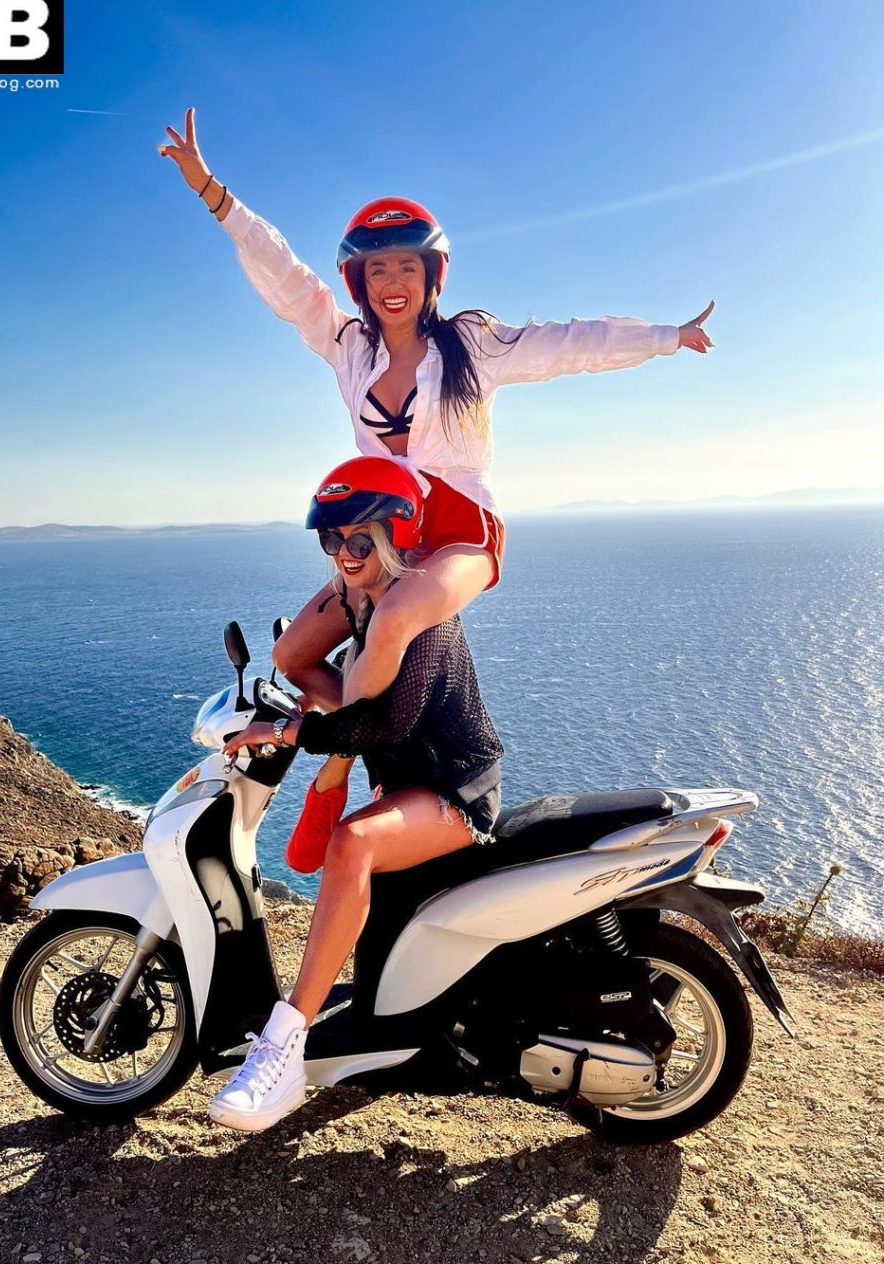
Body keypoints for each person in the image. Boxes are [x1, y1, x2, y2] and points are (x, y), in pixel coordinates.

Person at [159, 106, 714, 852]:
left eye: (407, 268)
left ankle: (335, 775)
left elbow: (569, 344)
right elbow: (287, 281)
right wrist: (213, 193)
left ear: (432, 276)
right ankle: (377, 743)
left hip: (459, 534)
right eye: (377, 269)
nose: (392, 283)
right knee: (292, 656)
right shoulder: (348, 347)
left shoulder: (472, 346)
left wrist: (667, 336)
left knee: (390, 622)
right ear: (359, 280)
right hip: (387, 537)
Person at [208, 458, 504, 1131]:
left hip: (454, 788)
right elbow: (304, 663)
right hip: (407, 780)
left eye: (360, 540)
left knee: (352, 843)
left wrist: (290, 731)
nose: (344, 553)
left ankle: (284, 1049)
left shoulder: (421, 615)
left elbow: (386, 722)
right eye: (332, 539)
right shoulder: (359, 603)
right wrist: (302, 711)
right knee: (349, 846)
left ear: (397, 537)